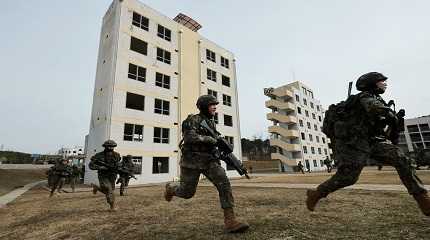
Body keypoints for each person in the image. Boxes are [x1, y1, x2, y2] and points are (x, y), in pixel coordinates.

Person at [306, 72, 430, 216]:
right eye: (381, 81)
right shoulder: (365, 96)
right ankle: (316, 194)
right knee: (348, 178)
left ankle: (422, 198)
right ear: (371, 83)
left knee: (400, 158)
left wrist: (393, 122)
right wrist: (390, 115)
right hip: (354, 143)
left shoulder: (378, 99)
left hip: (373, 141)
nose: (385, 83)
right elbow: (373, 108)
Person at [164, 95, 249, 233]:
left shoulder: (211, 124)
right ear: (203, 106)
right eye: (212, 105)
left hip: (209, 161)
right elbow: (190, 138)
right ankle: (171, 189)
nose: (215, 107)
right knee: (187, 193)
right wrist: (211, 139)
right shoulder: (192, 120)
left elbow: (214, 144)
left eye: (215, 104)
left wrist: (226, 154)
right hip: (191, 162)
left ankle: (230, 221)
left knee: (224, 184)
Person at [89, 140, 121, 211]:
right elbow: (91, 165)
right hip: (103, 175)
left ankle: (97, 187)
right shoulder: (98, 155)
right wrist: (100, 167)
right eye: (109, 146)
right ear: (105, 146)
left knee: (111, 191)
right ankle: (112, 206)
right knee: (108, 189)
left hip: (112, 175)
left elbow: (118, 164)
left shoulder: (117, 155)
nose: (110, 148)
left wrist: (118, 168)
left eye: (112, 146)